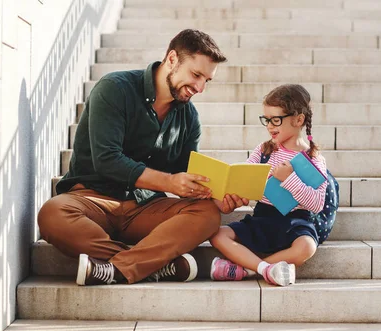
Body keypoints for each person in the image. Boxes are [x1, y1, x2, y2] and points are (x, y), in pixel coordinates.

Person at [37, 29, 249, 286]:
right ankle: (159, 266)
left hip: (145, 209)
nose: (200, 88)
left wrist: (218, 197)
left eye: (207, 80)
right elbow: (107, 160)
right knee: (52, 213)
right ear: (172, 59)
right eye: (196, 75)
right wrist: (169, 183)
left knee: (207, 214)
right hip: (93, 200)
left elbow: (186, 175)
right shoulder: (115, 89)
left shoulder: (189, 117)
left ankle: (116, 269)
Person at [209, 84, 337, 286]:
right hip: (263, 217)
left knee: (307, 247)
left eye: (275, 120)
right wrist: (235, 189)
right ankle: (265, 269)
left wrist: (289, 178)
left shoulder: (313, 159)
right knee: (217, 234)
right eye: (266, 120)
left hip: (295, 222)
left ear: (298, 119)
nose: (269, 125)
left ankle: (247, 271)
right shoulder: (264, 150)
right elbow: (246, 177)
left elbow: (316, 204)